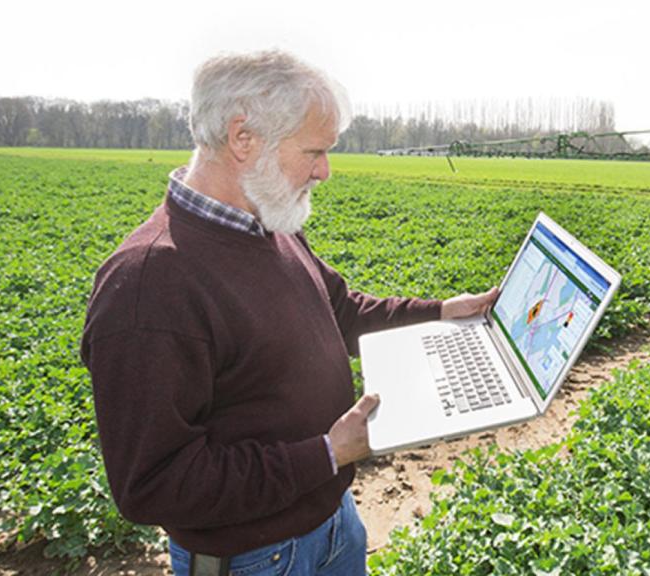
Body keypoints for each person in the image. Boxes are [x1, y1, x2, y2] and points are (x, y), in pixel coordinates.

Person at [80, 49, 497, 576]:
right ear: (242, 138)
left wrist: (442, 312)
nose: (325, 171)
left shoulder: (267, 224)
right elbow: (154, 483)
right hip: (255, 559)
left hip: (332, 523)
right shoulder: (149, 283)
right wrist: (327, 454)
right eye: (314, 151)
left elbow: (342, 311)